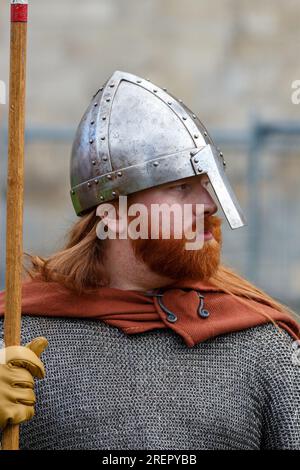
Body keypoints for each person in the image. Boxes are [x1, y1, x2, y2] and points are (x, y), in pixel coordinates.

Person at [0, 71, 299, 450]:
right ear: (112, 213)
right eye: (181, 187)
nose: (208, 205)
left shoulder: (264, 343)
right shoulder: (13, 336)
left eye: (206, 186)